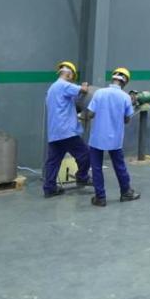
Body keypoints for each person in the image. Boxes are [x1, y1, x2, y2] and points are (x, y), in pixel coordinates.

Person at [83, 67, 141, 207]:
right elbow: (127, 120)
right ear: (125, 82)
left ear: (112, 78)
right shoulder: (125, 97)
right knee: (119, 166)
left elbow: (90, 114)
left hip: (97, 138)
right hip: (115, 139)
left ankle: (100, 198)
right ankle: (126, 192)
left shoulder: (99, 93)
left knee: (96, 168)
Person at [43, 61, 93, 198]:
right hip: (66, 131)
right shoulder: (64, 85)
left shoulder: (51, 89)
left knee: (53, 161)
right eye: (72, 77)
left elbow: (65, 105)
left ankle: (49, 188)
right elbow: (84, 90)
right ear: (69, 74)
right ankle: (82, 177)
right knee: (85, 154)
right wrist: (85, 85)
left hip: (54, 132)